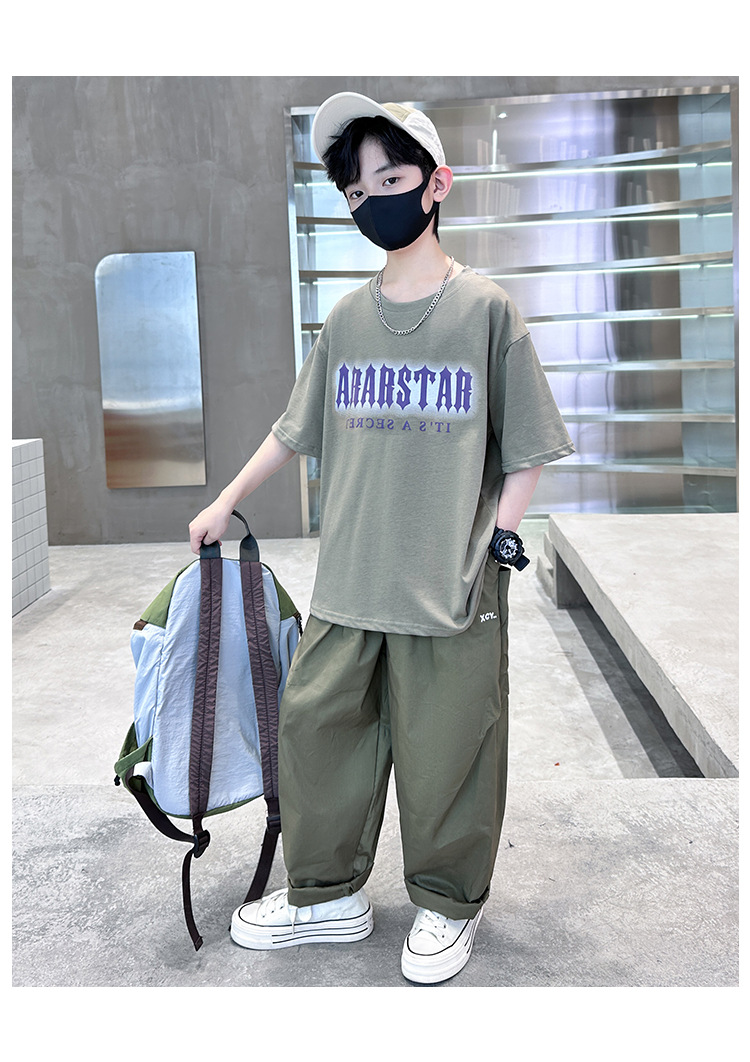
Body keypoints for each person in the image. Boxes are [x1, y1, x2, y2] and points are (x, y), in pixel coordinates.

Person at [189, 91, 574, 985]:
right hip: (352, 580)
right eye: (357, 192)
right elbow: (292, 431)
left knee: (450, 752)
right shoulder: (347, 320)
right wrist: (224, 501)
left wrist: (497, 545)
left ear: (437, 184)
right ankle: (326, 895)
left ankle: (446, 904)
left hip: (449, 584)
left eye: (390, 180)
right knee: (317, 728)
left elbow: (528, 448)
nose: (372, 203)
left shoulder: (487, 310)